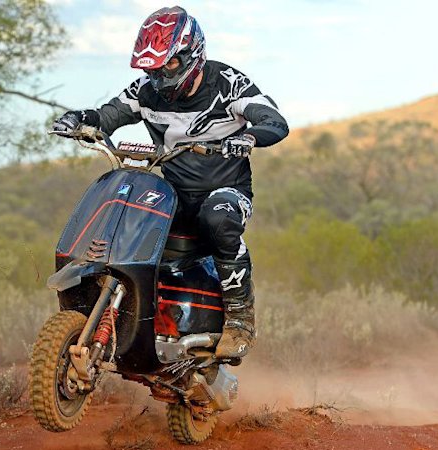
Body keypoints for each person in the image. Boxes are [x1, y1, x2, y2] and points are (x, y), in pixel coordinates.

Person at [51, 6, 289, 358]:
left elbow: (275, 121)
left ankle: (240, 318)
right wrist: (79, 119)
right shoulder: (146, 90)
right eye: (152, 68)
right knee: (126, 219)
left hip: (226, 191)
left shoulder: (229, 83)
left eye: (170, 65)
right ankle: (129, 315)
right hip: (172, 191)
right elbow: (107, 116)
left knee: (218, 216)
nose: (160, 76)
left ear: (192, 54)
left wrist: (251, 137)